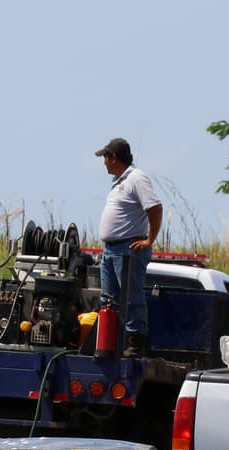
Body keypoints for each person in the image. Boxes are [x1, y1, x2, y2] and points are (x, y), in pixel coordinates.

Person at [95, 138, 163, 357]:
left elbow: (155, 208)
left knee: (131, 297)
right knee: (109, 299)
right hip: (111, 249)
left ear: (113, 158)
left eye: (105, 158)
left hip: (128, 248)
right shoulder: (118, 182)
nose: (103, 163)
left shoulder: (136, 178)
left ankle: (135, 341)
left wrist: (149, 240)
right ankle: (111, 342)